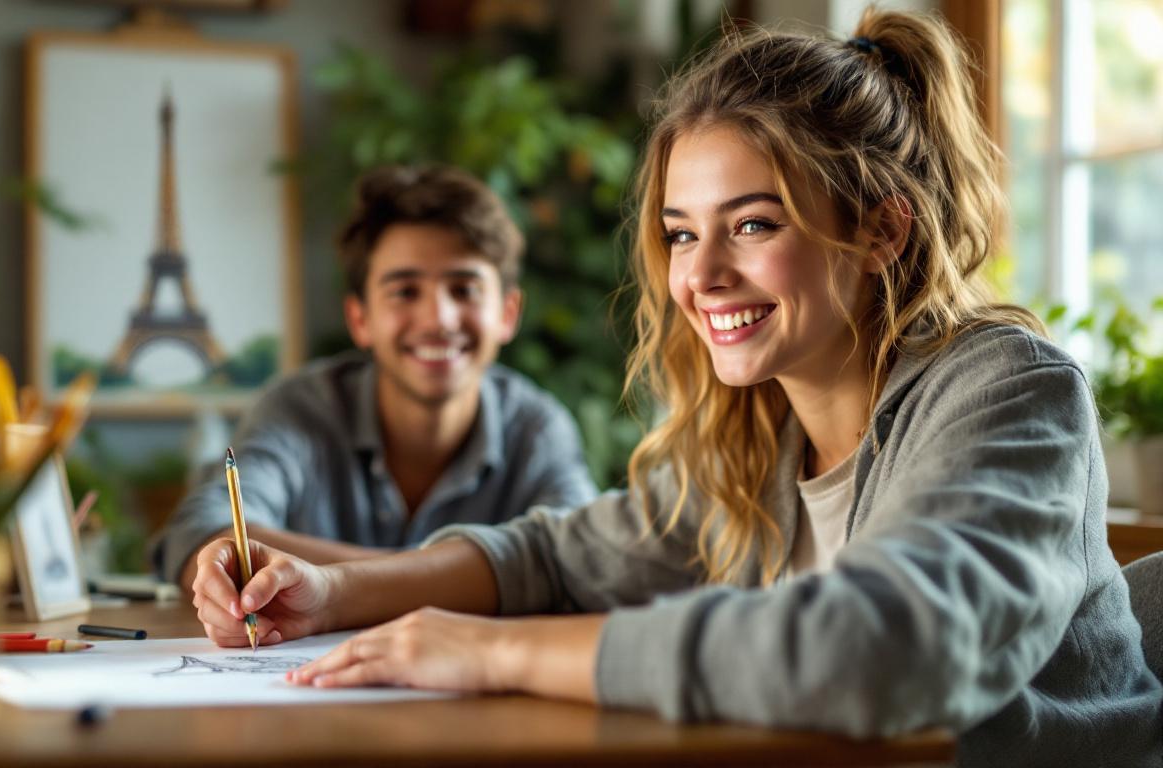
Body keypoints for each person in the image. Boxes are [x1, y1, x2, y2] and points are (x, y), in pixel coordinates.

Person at [187, 10, 1162, 765]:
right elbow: (558, 559)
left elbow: (887, 650)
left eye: (754, 225)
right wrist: (336, 593)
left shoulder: (1006, 391)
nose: (696, 278)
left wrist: (491, 653)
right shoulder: (757, 433)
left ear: (882, 230)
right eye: (684, 232)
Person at [153, 165, 597, 589]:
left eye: (464, 290)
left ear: (507, 313)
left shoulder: (538, 426)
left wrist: (347, 583)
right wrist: (469, 579)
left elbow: (582, 561)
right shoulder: (299, 408)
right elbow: (202, 534)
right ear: (359, 318)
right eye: (405, 291)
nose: (438, 319)